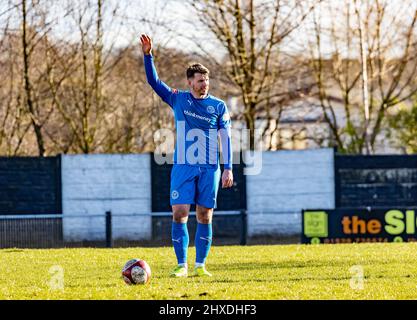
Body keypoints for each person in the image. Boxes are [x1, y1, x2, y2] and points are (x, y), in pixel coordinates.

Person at [140, 34, 233, 277]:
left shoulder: (219, 106)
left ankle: (200, 265)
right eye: (200, 81)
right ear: (190, 82)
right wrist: (148, 55)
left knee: (205, 214)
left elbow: (226, 137)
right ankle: (181, 265)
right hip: (183, 166)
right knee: (179, 213)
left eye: (207, 80)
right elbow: (154, 81)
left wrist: (228, 167)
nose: (205, 84)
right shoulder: (178, 99)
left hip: (210, 168)